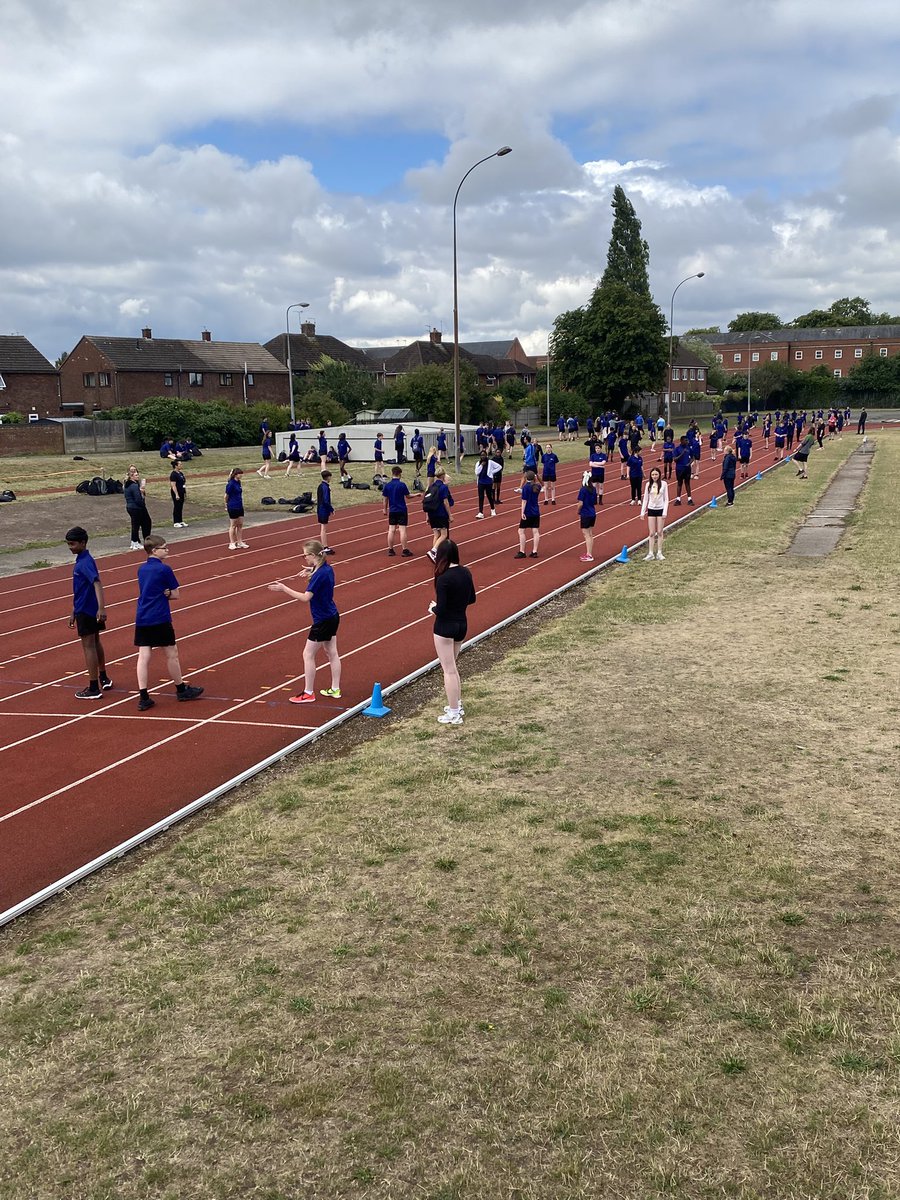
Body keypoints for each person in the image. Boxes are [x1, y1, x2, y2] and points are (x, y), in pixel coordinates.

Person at [134, 536, 203, 711]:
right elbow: (176, 594)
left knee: (143, 656)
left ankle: (143, 696)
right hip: (159, 616)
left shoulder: (141, 569)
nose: (167, 550)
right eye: (164, 548)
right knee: (172, 653)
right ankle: (181, 689)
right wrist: (167, 594)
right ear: (154, 550)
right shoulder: (164, 569)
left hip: (142, 616)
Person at [268, 540, 341, 704]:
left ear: (313, 555)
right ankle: (335, 688)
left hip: (322, 620)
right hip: (332, 615)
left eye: (305, 555)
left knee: (308, 654)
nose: (304, 558)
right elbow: (320, 573)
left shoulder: (319, 575)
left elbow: (305, 597)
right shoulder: (326, 569)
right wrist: (311, 570)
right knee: (332, 652)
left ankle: (308, 693)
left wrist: (284, 589)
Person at [428, 539, 476, 725]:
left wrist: (433, 608)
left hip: (445, 627)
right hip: (462, 624)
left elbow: (441, 609)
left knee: (448, 670)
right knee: (453, 668)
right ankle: (457, 705)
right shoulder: (466, 572)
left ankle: (454, 713)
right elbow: (471, 599)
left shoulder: (443, 578)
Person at [65, 526, 112, 699]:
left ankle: (93, 687)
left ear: (83, 543)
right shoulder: (85, 560)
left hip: (87, 610)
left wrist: (102, 607)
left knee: (88, 646)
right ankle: (103, 677)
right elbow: (81, 590)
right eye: (68, 544)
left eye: (73, 544)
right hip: (85, 608)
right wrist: (73, 611)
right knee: (96, 642)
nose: (70, 547)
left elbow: (96, 583)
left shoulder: (84, 563)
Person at [424, 465, 453, 560]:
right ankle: (433, 551)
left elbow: (427, 501)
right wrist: (450, 515)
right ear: (443, 475)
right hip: (441, 513)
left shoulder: (431, 487)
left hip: (431, 513)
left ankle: (436, 554)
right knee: (444, 534)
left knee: (436, 534)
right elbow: (446, 502)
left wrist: (427, 516)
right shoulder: (443, 487)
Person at [383, 465, 413, 556]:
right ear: (399, 474)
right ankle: (404, 550)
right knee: (402, 530)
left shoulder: (388, 485)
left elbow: (385, 499)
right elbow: (408, 496)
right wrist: (417, 495)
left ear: (392, 473)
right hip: (401, 509)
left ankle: (390, 549)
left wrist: (385, 509)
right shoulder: (402, 485)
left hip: (392, 510)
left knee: (391, 529)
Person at [640, 465, 669, 560]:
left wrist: (665, 512)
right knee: (652, 533)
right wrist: (642, 512)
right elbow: (645, 499)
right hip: (651, 510)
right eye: (653, 474)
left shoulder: (664, 484)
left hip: (660, 510)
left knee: (660, 532)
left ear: (659, 475)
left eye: (656, 474)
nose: (654, 476)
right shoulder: (648, 484)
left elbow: (666, 499)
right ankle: (650, 553)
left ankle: (659, 552)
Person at [515, 470, 543, 559]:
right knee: (535, 531)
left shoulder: (525, 487)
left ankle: (522, 551)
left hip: (527, 512)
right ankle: (534, 551)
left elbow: (524, 501)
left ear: (526, 478)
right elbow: (540, 486)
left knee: (521, 531)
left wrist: (522, 512)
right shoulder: (537, 486)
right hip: (536, 511)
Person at [125, 464, 152, 550]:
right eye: (136, 475)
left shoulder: (128, 484)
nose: (138, 476)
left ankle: (135, 542)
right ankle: (135, 542)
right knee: (138, 524)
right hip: (136, 507)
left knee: (137, 524)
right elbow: (137, 498)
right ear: (131, 476)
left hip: (131, 506)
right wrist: (142, 504)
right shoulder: (133, 485)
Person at [225, 466, 248, 549]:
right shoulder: (231, 484)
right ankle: (232, 542)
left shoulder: (239, 482)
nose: (241, 475)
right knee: (233, 525)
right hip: (233, 506)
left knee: (240, 524)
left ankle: (240, 542)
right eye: (240, 474)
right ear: (235, 474)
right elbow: (226, 496)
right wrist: (226, 504)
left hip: (239, 505)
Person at [577, 471, 597, 562]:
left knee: (586, 535)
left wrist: (578, 511)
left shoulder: (583, 490)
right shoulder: (593, 489)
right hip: (592, 513)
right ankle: (590, 553)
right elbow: (594, 502)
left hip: (585, 514)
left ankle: (589, 555)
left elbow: (580, 503)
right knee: (590, 534)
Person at [317, 470, 335, 554]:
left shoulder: (321, 486)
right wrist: (331, 509)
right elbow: (326, 500)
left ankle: (325, 546)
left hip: (320, 509)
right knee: (323, 528)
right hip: (323, 510)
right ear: (328, 477)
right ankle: (325, 547)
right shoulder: (325, 487)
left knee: (323, 528)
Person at [672, 437, 694, 506]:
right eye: (686, 440)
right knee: (679, 483)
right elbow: (675, 459)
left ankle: (689, 499)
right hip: (679, 468)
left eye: (687, 440)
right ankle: (678, 499)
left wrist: (689, 463)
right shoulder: (677, 449)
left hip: (687, 468)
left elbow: (693, 457)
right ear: (681, 441)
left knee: (687, 483)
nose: (687, 441)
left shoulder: (689, 448)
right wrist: (682, 453)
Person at [475, 451, 497, 519]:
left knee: (489, 496)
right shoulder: (478, 463)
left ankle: (493, 509)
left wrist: (492, 473)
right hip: (481, 482)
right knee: (481, 497)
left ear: (486, 455)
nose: (483, 456)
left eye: (484, 455)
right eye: (481, 455)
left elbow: (499, 467)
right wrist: (481, 465)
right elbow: (476, 472)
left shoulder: (490, 462)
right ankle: (480, 512)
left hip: (488, 482)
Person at [170, 457, 187, 527]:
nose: (181, 465)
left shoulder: (181, 473)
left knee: (180, 506)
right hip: (176, 492)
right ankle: (176, 522)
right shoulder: (173, 474)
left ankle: (180, 520)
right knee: (177, 506)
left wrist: (184, 492)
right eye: (180, 464)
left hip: (181, 491)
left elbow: (183, 483)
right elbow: (173, 485)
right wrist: (176, 494)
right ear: (176, 466)